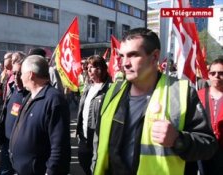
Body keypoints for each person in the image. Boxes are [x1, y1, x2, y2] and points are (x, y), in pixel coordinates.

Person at [93, 28, 218, 175]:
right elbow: (98, 145)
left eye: (133, 55)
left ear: (154, 57)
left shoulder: (181, 93)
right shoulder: (112, 93)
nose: (125, 63)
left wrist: (178, 140)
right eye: (122, 56)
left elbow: (208, 146)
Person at [9, 55, 71, 175]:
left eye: (22, 73)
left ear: (30, 74)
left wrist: (51, 171)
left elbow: (59, 146)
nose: (20, 77)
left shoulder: (53, 100)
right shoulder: (29, 96)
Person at [76, 55, 112, 175]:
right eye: (88, 67)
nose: (89, 70)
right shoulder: (88, 87)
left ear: (101, 68)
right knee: (83, 161)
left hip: (99, 139)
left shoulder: (110, 89)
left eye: (93, 67)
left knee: (96, 168)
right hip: (84, 137)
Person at [0, 53, 29, 175]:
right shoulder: (12, 89)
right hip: (6, 143)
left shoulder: (31, 95)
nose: (16, 76)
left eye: (19, 73)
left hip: (21, 147)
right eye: (14, 73)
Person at [198, 58, 223, 174]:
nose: (217, 76)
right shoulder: (198, 95)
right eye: (213, 73)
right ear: (209, 75)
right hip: (203, 148)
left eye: (221, 73)